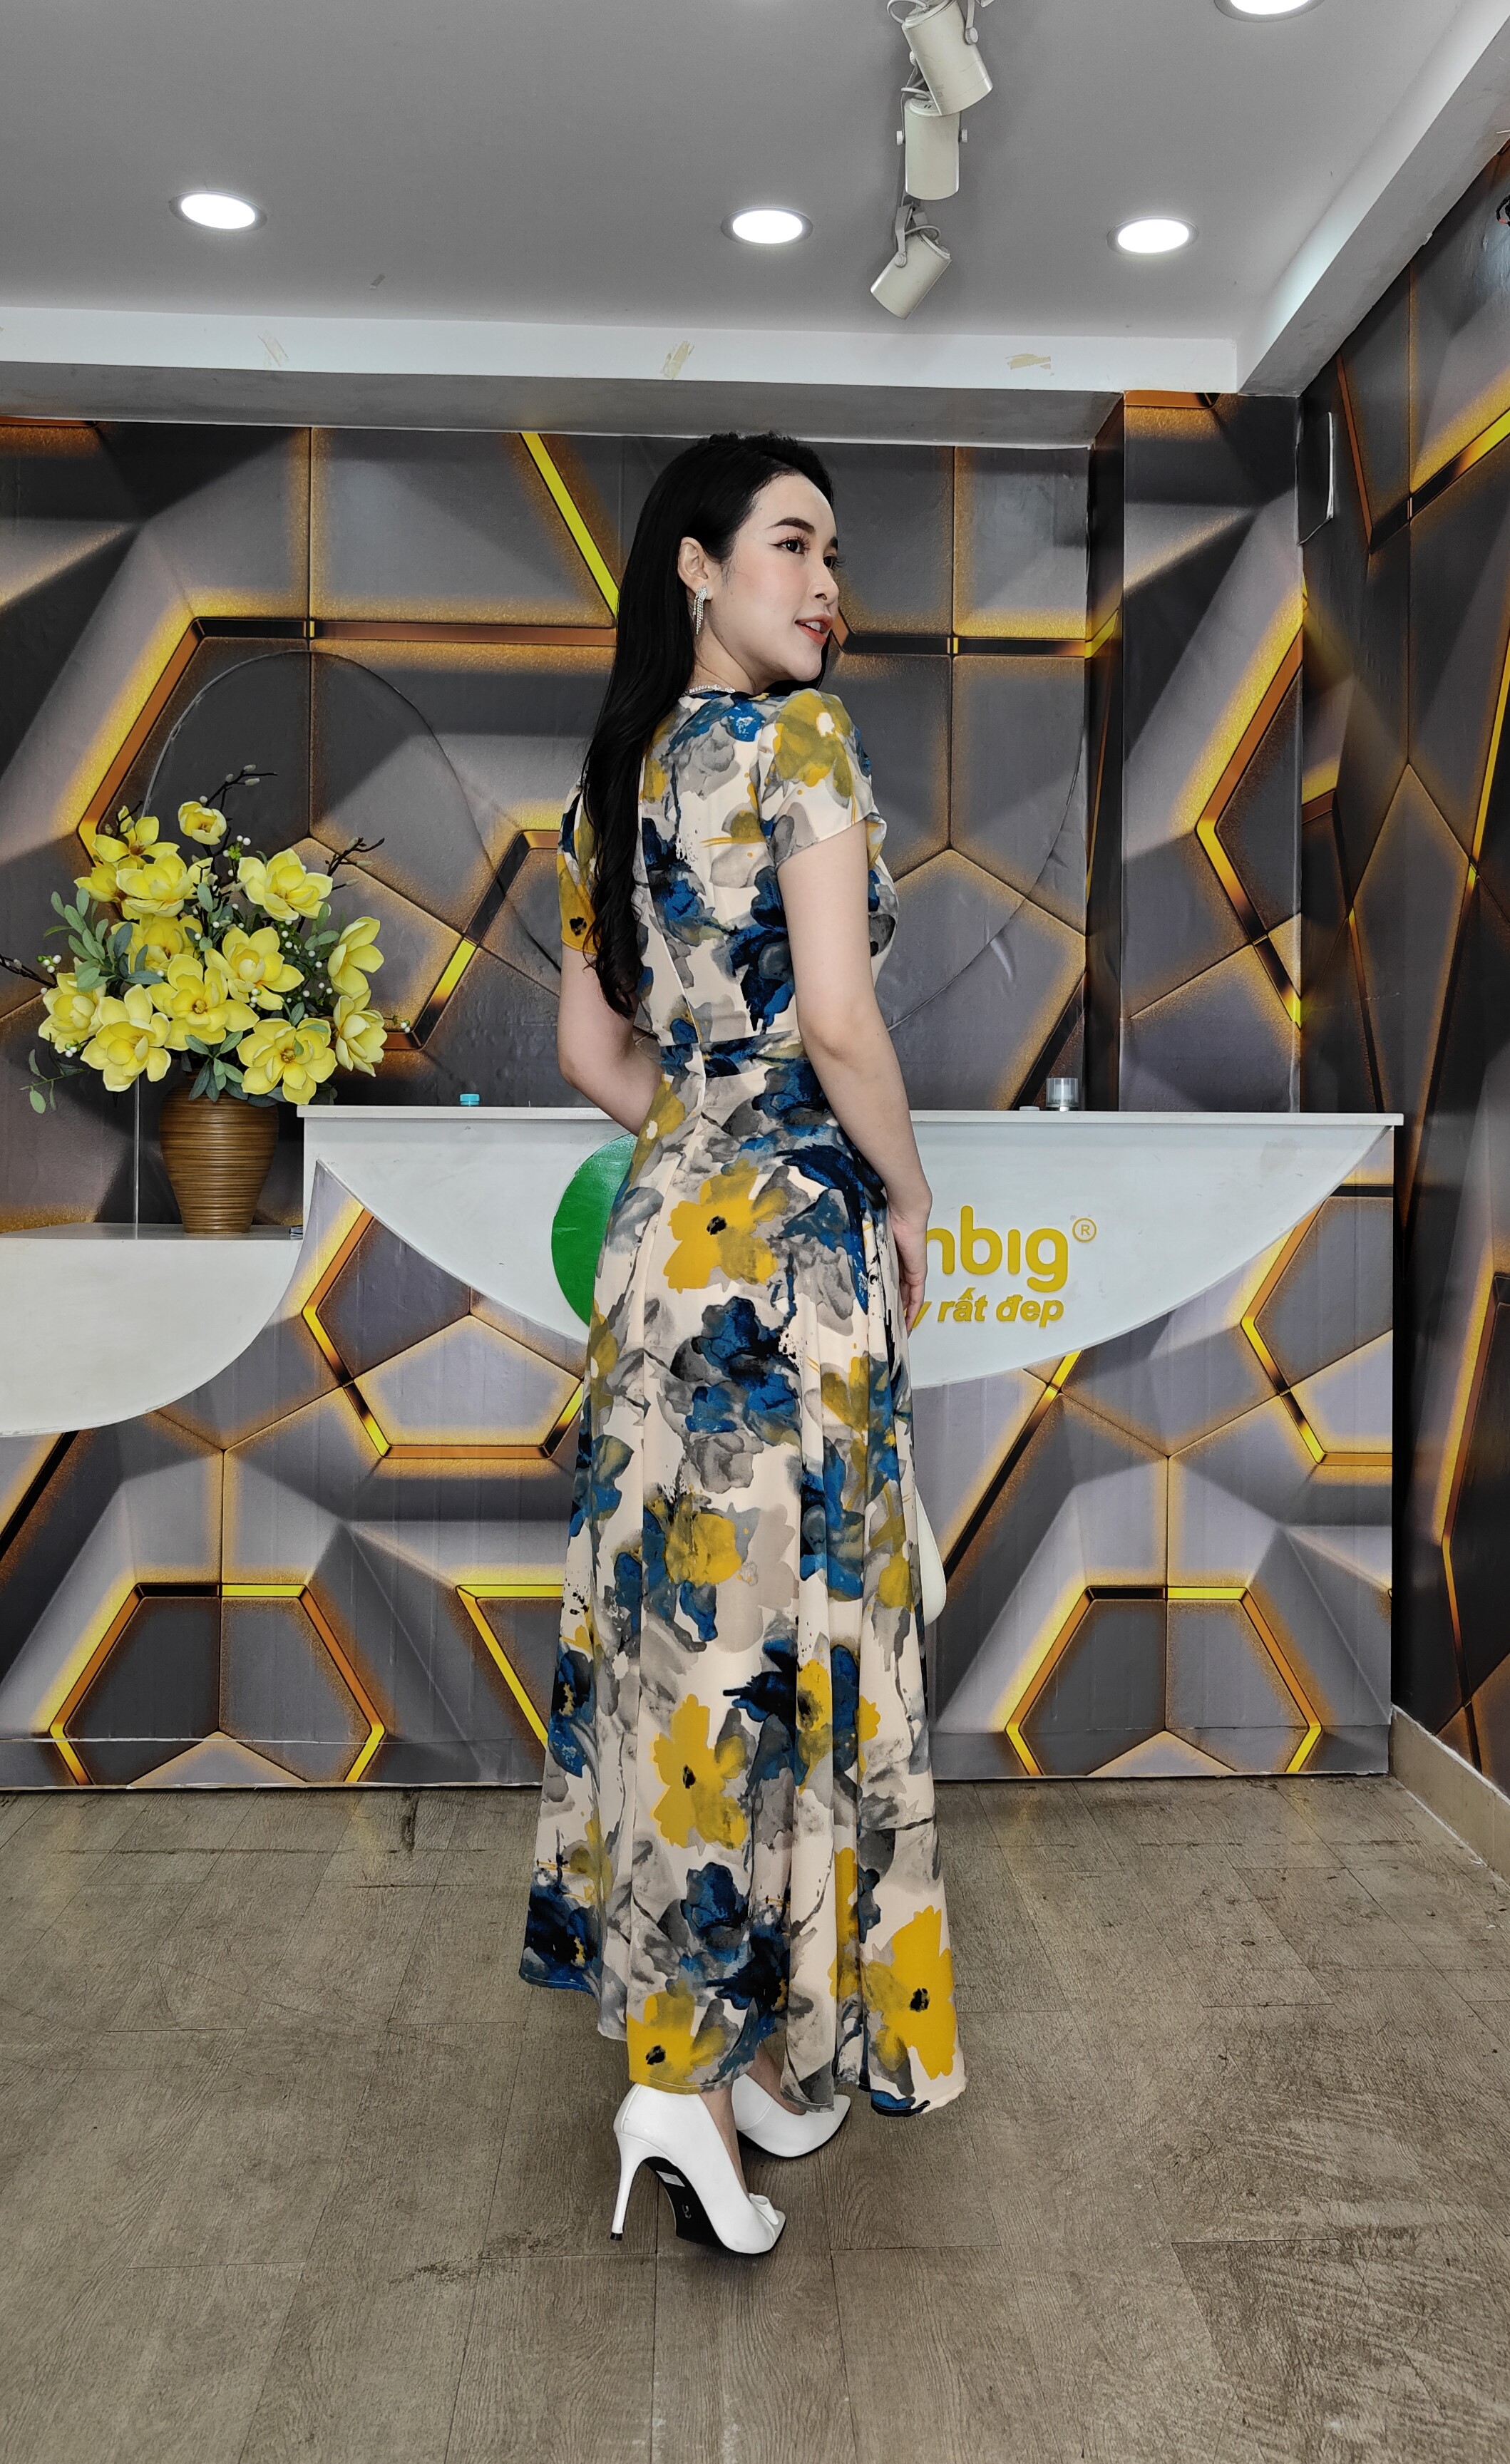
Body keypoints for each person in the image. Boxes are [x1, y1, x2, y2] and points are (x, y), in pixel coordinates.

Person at [519, 431, 963, 2257]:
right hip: (789, 1266)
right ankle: (694, 2079)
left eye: (834, 554)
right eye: (791, 543)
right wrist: (909, 1193)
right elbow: (841, 1019)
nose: (826, 582)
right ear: (694, 565)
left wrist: (701, 1144)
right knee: (775, 1651)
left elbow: (592, 1054)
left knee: (679, 1649)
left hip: (661, 1255)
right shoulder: (804, 745)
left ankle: (732, 2052)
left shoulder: (609, 781)